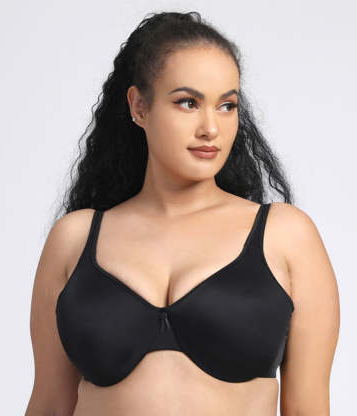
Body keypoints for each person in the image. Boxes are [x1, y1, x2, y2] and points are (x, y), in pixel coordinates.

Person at [25, 11, 340, 416]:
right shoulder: (75, 240)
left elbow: (308, 409)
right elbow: (50, 405)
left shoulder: (284, 235)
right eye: (188, 103)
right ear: (139, 106)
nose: (211, 128)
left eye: (227, 105)